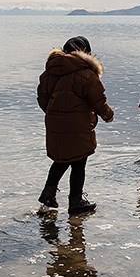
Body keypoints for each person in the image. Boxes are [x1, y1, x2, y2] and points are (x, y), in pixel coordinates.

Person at [37, 36, 114, 214]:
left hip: (55, 123)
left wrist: (54, 114)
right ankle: (75, 201)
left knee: (62, 158)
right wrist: (107, 115)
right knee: (79, 161)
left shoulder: (49, 72)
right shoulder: (86, 74)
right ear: (85, 52)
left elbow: (42, 99)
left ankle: (49, 193)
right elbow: (98, 100)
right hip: (78, 124)